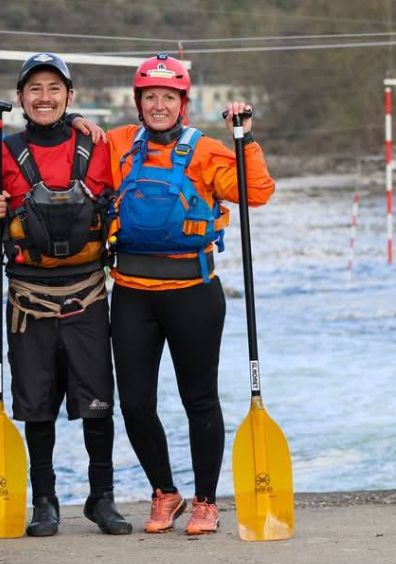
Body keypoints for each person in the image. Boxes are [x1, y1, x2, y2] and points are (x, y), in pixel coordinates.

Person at [105, 53, 275, 535]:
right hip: (132, 294)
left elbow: (256, 192)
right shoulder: (118, 144)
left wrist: (248, 139)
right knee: (135, 402)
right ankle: (164, 493)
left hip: (193, 294)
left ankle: (206, 500)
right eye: (150, 97)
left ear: (184, 103)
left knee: (198, 399)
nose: (159, 105)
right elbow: (77, 147)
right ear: (139, 103)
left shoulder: (208, 151)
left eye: (169, 98)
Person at [0, 52, 132, 537]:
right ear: (21, 98)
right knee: (36, 405)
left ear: (70, 95)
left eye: (54, 89)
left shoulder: (98, 146)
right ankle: (44, 501)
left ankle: (101, 497)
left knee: (97, 404)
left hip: (87, 295)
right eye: (34, 89)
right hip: (29, 300)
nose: (44, 98)